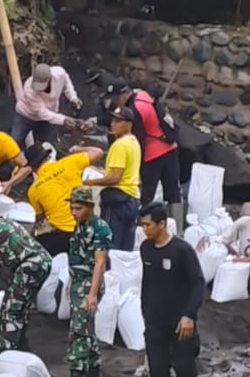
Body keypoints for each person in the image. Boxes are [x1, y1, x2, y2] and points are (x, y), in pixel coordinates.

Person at [138, 203, 204, 377]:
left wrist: (189, 316)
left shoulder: (182, 250)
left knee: (184, 368)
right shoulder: (145, 249)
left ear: (162, 224)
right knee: (157, 368)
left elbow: (198, 283)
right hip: (155, 321)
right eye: (142, 225)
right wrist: (145, 311)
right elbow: (148, 283)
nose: (144, 230)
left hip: (180, 321)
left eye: (147, 225)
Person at [0, 208, 51, 352]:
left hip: (28, 266)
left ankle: (7, 350)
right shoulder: (5, 221)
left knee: (11, 310)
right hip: (44, 261)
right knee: (22, 306)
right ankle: (22, 345)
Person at [61, 188, 112, 377]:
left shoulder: (100, 229)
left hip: (89, 283)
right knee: (87, 333)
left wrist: (91, 294)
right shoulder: (81, 225)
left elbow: (100, 263)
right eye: (72, 208)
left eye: (78, 208)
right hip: (78, 281)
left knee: (79, 332)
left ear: (90, 207)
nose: (74, 212)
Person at [108, 83, 183, 226]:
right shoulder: (143, 95)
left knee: (147, 194)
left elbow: (139, 140)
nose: (115, 102)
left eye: (116, 98)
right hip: (170, 146)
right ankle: (177, 228)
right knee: (173, 190)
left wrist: (138, 165)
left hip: (153, 153)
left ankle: (142, 226)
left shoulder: (135, 110)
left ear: (124, 94)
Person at [26, 146, 106, 256]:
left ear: (33, 169)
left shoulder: (33, 190)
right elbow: (98, 151)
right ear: (49, 157)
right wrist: (77, 149)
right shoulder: (70, 162)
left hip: (63, 234)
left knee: (38, 255)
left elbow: (40, 216)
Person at [93, 105, 143, 252]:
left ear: (129, 125)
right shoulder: (134, 142)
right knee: (124, 249)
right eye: (113, 120)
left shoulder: (119, 145)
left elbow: (115, 178)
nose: (113, 124)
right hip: (132, 198)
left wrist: (91, 181)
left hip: (117, 202)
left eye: (118, 121)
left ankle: (108, 275)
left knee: (109, 245)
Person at [11, 62, 85, 150]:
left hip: (49, 117)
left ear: (50, 79)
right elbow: (42, 112)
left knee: (49, 146)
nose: (39, 88)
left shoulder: (59, 73)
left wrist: (73, 98)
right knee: (14, 141)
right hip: (25, 115)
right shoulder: (29, 89)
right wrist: (63, 120)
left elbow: (67, 85)